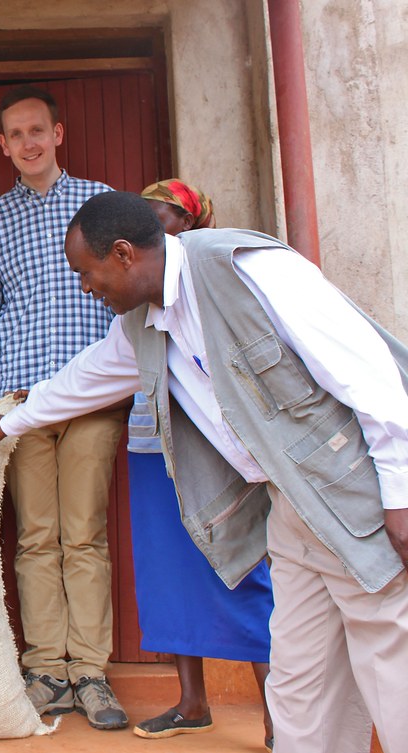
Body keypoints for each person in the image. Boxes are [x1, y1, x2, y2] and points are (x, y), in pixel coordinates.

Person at [0, 190, 408, 753]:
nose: (86, 288)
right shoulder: (139, 325)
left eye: (87, 272)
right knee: (301, 675)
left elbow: (368, 375)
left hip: (353, 493)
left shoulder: (249, 268)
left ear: (123, 254)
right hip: (291, 510)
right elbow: (86, 378)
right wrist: (10, 424)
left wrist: (400, 492)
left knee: (392, 665)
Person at [0, 84, 128, 729]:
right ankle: (46, 671)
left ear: (58, 133)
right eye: (16, 135)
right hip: (20, 399)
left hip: (90, 396)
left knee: (82, 535)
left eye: (38, 131)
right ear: (3, 146)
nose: (28, 143)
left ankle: (90, 672)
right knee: (34, 539)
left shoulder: (99, 205)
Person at [128, 180, 273, 747]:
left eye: (156, 217)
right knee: (166, 573)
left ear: (185, 224)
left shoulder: (210, 278)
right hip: (150, 446)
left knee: (240, 570)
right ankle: (192, 702)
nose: (143, 230)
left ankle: (275, 713)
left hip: (215, 448)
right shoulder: (136, 291)